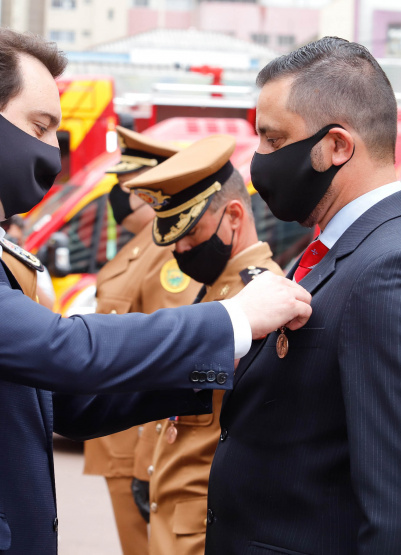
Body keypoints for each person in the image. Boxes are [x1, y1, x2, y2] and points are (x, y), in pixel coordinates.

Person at [0, 24, 310, 555]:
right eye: (40, 126)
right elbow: (60, 350)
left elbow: (60, 400)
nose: (51, 150)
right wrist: (233, 319)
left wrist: (236, 358)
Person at [204, 37, 401, 555]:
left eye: (273, 139)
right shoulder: (340, 248)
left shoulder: (395, 271)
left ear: (337, 146)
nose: (258, 160)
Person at [124, 134, 282, 555]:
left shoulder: (264, 300)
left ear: (234, 217)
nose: (180, 249)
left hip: (205, 533)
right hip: (177, 522)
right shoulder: (216, 290)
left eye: (191, 233)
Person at [82, 126, 200, 555]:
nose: (117, 197)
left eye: (125, 186)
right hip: (120, 440)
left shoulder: (167, 254)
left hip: (141, 448)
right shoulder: (136, 249)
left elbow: (174, 355)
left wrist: (148, 462)